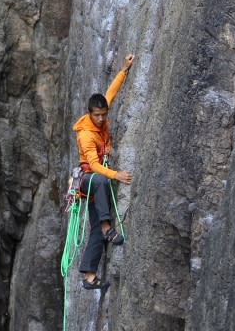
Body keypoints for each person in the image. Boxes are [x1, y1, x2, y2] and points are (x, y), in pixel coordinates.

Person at [72, 53, 134, 291]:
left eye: (103, 115)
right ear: (89, 114)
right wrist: (116, 175)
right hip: (88, 178)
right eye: (95, 115)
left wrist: (124, 69)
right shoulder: (86, 134)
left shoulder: (102, 115)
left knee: (95, 226)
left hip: (97, 180)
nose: (100, 119)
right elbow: (95, 166)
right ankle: (108, 229)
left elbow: (111, 92)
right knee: (100, 180)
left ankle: (89, 276)